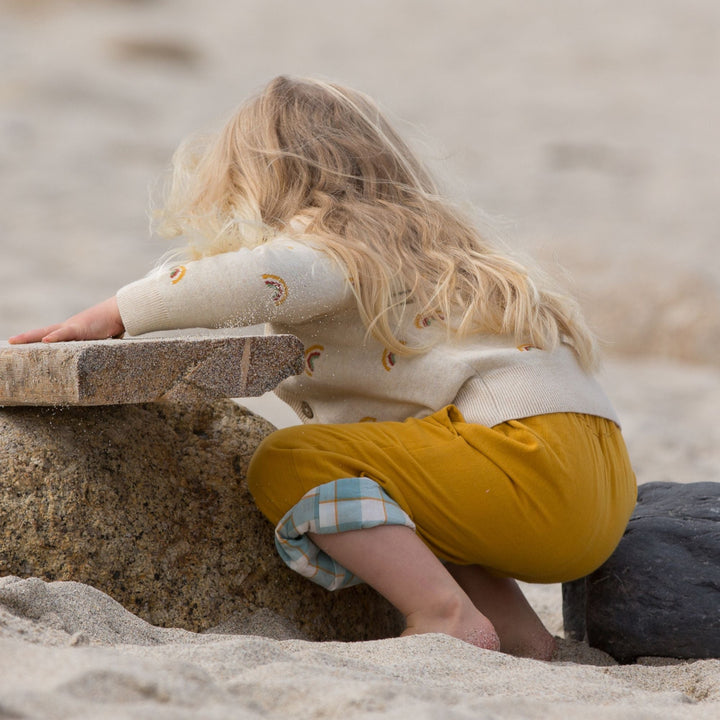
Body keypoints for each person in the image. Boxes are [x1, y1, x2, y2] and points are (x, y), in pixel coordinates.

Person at [9, 75, 636, 660]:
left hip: (524, 464)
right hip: (596, 484)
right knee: (405, 488)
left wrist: (117, 310)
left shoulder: (337, 244)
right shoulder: (437, 242)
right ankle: (522, 637)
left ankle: (443, 613)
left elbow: (259, 277)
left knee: (293, 461)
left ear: (258, 180)